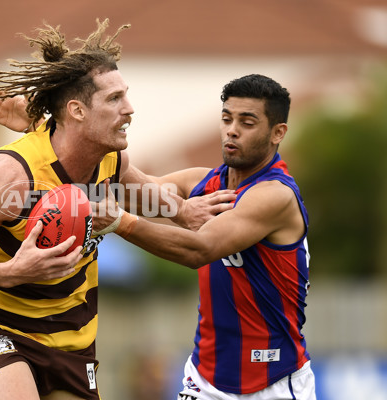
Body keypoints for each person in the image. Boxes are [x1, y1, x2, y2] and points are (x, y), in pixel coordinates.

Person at [0, 19, 234, 400]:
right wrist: (11, 271)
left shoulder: (111, 161)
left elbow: (145, 192)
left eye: (126, 95)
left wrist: (185, 211)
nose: (130, 109)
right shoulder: (10, 174)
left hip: (72, 342)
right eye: (114, 99)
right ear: (77, 111)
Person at [94, 74, 316, 400]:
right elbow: (122, 190)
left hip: (273, 383)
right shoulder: (202, 183)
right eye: (227, 119)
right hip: (205, 381)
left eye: (247, 122)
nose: (232, 130)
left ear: (277, 133)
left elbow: (200, 249)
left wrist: (120, 224)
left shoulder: (275, 196)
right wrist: (57, 130)